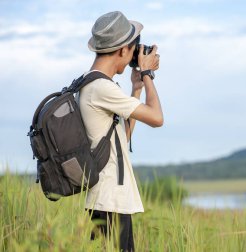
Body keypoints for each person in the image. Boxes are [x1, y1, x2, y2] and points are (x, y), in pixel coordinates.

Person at [79, 11, 163, 252]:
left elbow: (120, 140)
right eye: (133, 49)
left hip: (110, 200)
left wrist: (136, 88)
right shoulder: (100, 87)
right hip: (109, 201)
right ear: (123, 50)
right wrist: (147, 75)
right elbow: (157, 118)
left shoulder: (93, 84)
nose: (132, 58)